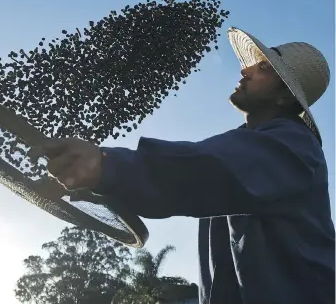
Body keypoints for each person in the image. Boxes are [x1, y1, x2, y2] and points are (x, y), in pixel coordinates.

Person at [30, 27, 335, 304]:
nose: (245, 70)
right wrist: (93, 183)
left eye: (264, 68)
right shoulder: (240, 146)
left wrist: (106, 166)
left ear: (285, 96)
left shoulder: (293, 146)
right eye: (253, 63)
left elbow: (203, 171)